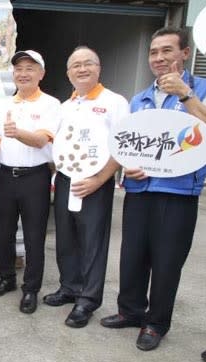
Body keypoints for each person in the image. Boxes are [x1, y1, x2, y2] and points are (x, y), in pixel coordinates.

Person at [100, 27, 206, 351]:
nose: (159, 58)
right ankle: (130, 311)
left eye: (166, 51)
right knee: (132, 256)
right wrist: (126, 166)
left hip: (177, 194)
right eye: (153, 52)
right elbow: (130, 143)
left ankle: (156, 322)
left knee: (166, 261)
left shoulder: (201, 89)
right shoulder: (140, 98)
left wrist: (186, 95)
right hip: (139, 188)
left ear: (185, 54)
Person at [44, 46, 129, 328]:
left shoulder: (115, 102)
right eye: (75, 66)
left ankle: (88, 300)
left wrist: (99, 180)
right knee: (65, 238)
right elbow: (57, 143)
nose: (82, 69)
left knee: (93, 242)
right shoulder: (66, 106)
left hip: (96, 182)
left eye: (87, 64)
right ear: (68, 73)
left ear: (98, 67)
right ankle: (69, 287)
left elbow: (123, 146)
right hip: (66, 179)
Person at [0, 50, 60, 313]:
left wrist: (18, 133)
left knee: (34, 237)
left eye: (29, 68)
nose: (23, 73)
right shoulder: (4, 105)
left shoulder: (51, 104)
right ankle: (7, 278)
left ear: (41, 74)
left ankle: (31, 289)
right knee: (4, 232)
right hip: (5, 176)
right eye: (18, 69)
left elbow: (41, 140)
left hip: (35, 177)